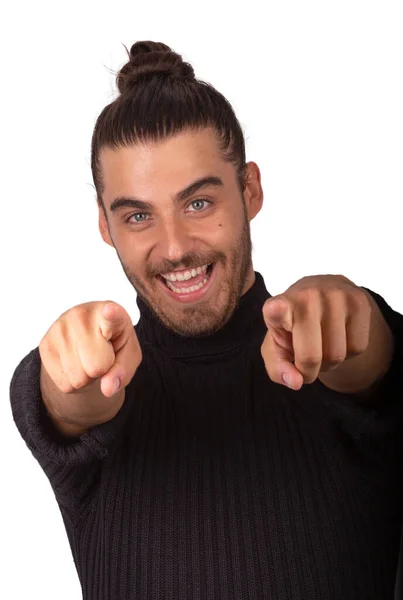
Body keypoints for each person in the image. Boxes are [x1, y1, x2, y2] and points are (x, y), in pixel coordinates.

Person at [10, 41, 403, 600]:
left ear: (250, 190)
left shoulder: (329, 350)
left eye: (198, 203)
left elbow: (376, 367)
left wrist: (353, 317)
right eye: (139, 215)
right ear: (105, 225)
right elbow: (64, 406)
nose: (174, 249)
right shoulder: (104, 380)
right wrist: (67, 369)